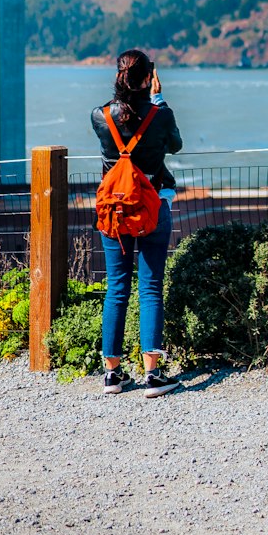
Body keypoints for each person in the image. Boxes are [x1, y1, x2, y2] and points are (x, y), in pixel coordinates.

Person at [91, 48, 183, 397]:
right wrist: (158, 98)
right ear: (148, 78)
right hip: (151, 207)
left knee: (116, 287)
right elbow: (174, 145)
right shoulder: (160, 114)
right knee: (150, 287)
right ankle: (153, 375)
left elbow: (115, 137)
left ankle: (113, 375)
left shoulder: (99, 116)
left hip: (113, 210)